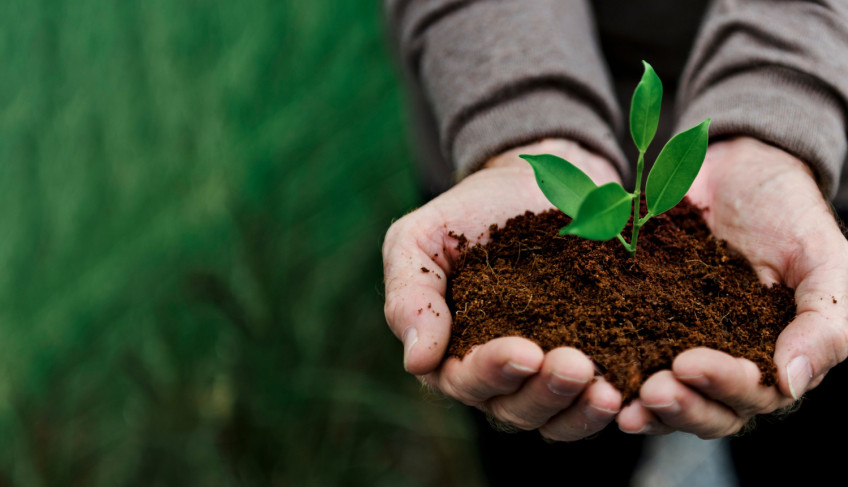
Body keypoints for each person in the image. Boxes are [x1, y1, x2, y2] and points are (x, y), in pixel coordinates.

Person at [382, 1, 848, 483]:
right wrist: (519, 115)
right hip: (484, 108)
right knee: (546, 449)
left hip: (810, 114)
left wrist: (777, 116)